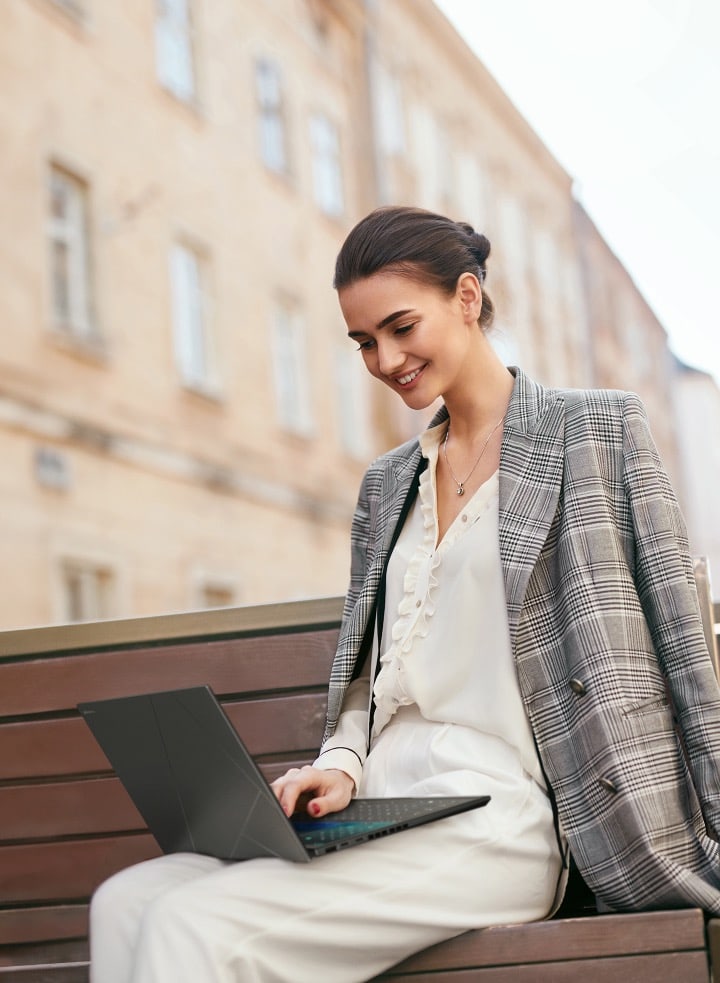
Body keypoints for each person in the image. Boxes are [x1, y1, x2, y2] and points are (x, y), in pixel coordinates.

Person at [89, 206, 720, 982]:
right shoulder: (389, 483)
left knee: (195, 922)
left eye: (400, 327)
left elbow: (683, 642)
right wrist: (341, 763)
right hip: (381, 803)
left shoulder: (595, 430)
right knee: (125, 900)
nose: (385, 360)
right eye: (363, 342)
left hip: (499, 810)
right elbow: (369, 670)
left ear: (466, 297)